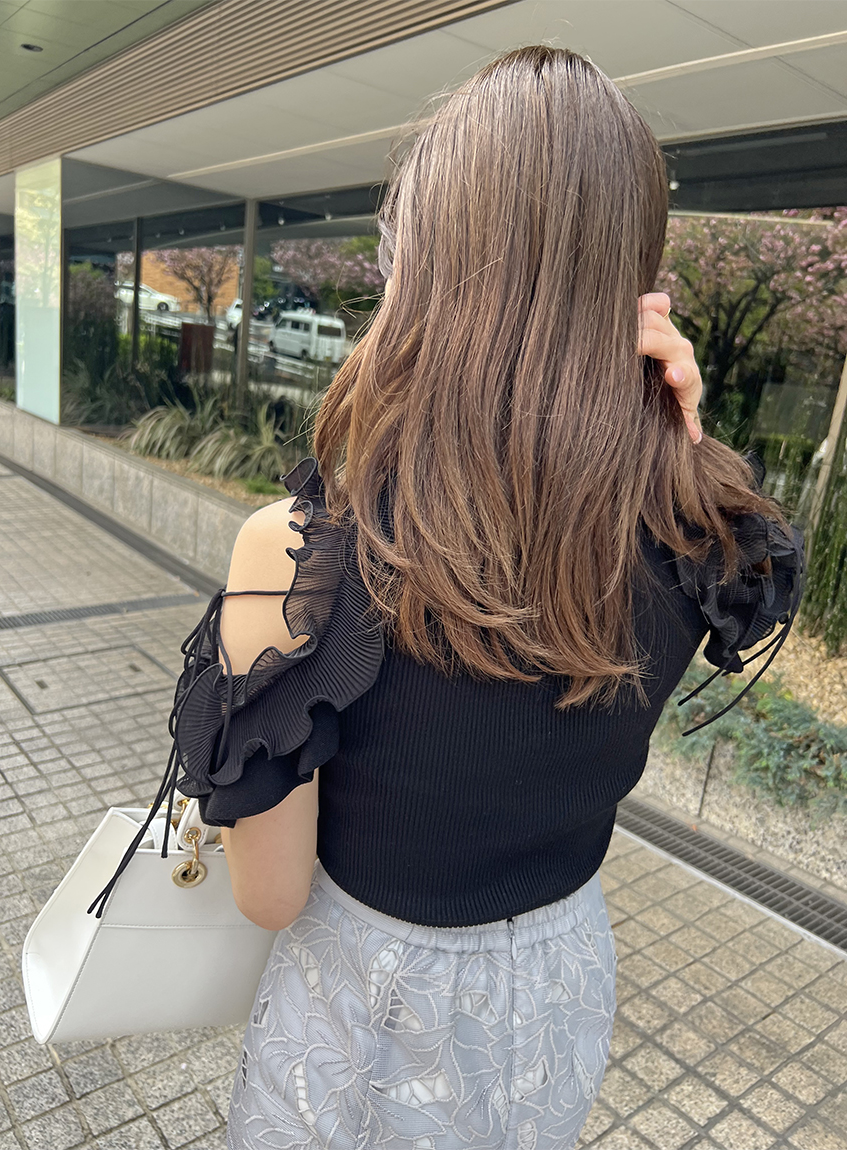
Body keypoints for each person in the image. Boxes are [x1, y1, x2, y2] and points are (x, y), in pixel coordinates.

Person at [169, 46, 803, 1150]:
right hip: (557, 993)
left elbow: (271, 897)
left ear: (424, 262)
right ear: (633, 277)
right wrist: (681, 436)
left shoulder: (307, 554)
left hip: (368, 1016)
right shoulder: (709, 539)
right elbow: (711, 546)